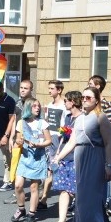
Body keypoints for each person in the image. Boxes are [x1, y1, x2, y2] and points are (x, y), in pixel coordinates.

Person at [52, 86, 111, 222]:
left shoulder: (101, 117)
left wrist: (109, 166)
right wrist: (58, 156)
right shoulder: (80, 118)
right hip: (80, 158)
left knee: (90, 202)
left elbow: (108, 143)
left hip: (95, 157)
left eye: (89, 97)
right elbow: (72, 141)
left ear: (97, 99)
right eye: (83, 97)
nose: (85, 100)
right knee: (82, 201)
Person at [10, 98, 52, 222]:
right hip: (25, 156)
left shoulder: (42, 123)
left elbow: (49, 140)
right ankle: (21, 209)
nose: (37, 108)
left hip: (38, 158)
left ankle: (31, 213)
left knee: (34, 187)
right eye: (34, 106)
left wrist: (39, 145)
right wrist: (19, 141)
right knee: (18, 185)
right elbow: (18, 139)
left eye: (38, 106)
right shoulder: (21, 123)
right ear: (28, 108)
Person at [47, 91, 81, 222]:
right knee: (64, 190)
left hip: (76, 159)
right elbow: (63, 138)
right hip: (64, 158)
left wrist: (59, 155)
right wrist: (57, 154)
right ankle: (61, 221)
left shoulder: (82, 118)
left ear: (73, 102)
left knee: (78, 192)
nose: (65, 102)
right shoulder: (68, 117)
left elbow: (75, 141)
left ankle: (82, 221)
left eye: (66, 100)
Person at [39, 80, 67, 208]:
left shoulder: (63, 106)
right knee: (49, 169)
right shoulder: (50, 104)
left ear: (59, 90)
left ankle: (45, 198)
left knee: (55, 169)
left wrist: (60, 134)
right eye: (49, 88)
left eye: (52, 88)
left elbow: (64, 126)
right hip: (48, 138)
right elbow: (46, 122)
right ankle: (44, 197)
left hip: (57, 139)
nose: (49, 91)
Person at [7, 80, 34, 188]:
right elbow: (14, 120)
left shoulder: (33, 103)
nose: (22, 90)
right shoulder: (17, 102)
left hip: (29, 138)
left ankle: (37, 185)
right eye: (21, 87)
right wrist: (11, 138)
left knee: (30, 165)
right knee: (15, 164)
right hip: (17, 138)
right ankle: (16, 191)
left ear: (31, 90)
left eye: (25, 88)